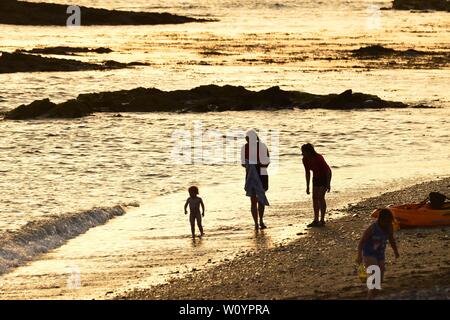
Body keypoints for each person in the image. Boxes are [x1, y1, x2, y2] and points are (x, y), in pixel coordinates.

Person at [357, 209, 400, 298]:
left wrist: (395, 251)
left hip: (380, 254)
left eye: (389, 221)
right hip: (369, 253)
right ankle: (370, 295)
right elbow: (361, 241)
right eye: (386, 222)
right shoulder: (373, 228)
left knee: (379, 280)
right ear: (380, 220)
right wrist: (359, 256)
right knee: (374, 274)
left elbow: (391, 240)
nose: (387, 223)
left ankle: (372, 294)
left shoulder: (389, 227)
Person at [241, 129, 270, 230]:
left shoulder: (262, 146)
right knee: (253, 199)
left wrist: (257, 163)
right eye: (247, 139)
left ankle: (261, 220)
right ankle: (256, 223)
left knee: (261, 198)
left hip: (262, 173)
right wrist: (249, 164)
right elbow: (243, 163)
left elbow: (267, 161)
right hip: (250, 174)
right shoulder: (245, 148)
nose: (248, 141)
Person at [301, 143, 332, 227]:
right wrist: (307, 186)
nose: (302, 154)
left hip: (324, 177)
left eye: (303, 152)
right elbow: (307, 173)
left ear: (309, 151)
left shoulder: (319, 158)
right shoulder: (304, 159)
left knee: (321, 197)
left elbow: (328, 171)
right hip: (316, 178)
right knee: (314, 198)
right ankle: (316, 220)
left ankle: (322, 220)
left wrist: (328, 184)